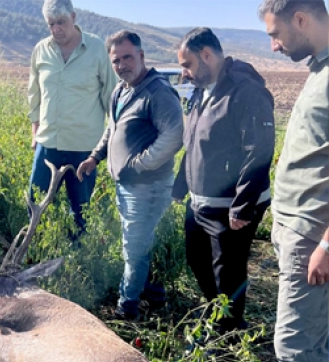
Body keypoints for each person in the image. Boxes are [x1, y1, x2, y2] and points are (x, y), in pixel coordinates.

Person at [255, 0, 329, 362]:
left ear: (301, 19)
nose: (274, 44)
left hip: (315, 238)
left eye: (276, 33)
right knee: (319, 342)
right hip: (299, 231)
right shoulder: (319, 70)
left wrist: (327, 242)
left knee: (294, 346)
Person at [171, 28, 275, 334]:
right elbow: (194, 145)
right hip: (200, 201)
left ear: (206, 55)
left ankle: (229, 331)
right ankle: (218, 312)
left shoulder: (246, 91)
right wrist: (180, 188)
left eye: (187, 64)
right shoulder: (201, 93)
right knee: (196, 259)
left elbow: (259, 150)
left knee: (227, 273)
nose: (184, 73)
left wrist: (242, 207)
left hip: (232, 205)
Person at [76, 31, 183, 320]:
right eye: (116, 60)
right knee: (142, 243)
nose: (122, 64)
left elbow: (174, 136)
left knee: (134, 248)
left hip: (148, 187)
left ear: (141, 56)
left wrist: (139, 164)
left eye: (127, 57)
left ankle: (127, 308)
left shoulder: (158, 92)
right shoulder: (121, 90)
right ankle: (153, 294)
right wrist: (95, 157)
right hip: (128, 186)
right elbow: (112, 129)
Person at [26, 0, 115, 235]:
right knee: (35, 206)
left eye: (61, 22)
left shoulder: (96, 48)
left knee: (81, 214)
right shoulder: (41, 50)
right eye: (51, 24)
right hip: (48, 143)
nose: (56, 29)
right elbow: (34, 94)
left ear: (74, 17)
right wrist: (34, 131)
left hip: (83, 147)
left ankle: (78, 264)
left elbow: (111, 97)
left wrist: (114, 139)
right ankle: (36, 259)